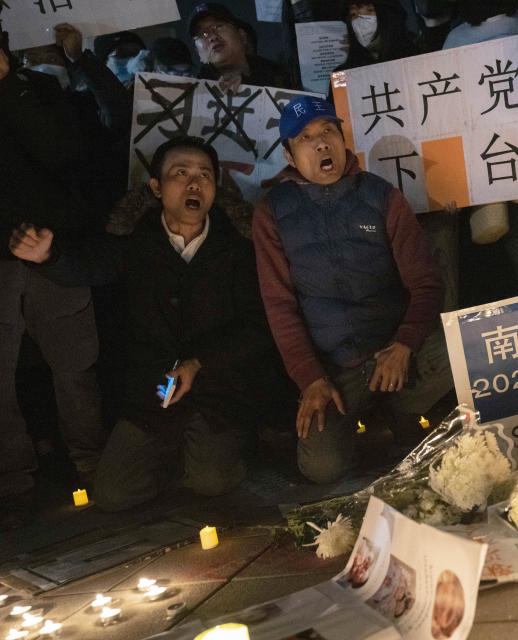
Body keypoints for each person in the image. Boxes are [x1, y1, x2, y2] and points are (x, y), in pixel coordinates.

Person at [9, 137, 276, 511]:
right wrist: (48, 256)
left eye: (204, 175)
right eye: (180, 173)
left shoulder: (237, 249)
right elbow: (89, 265)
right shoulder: (136, 243)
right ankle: (177, 459)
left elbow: (257, 327)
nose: (194, 184)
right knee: (113, 493)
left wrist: (199, 363)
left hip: (218, 391)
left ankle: (214, 454)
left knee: (211, 480)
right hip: (152, 397)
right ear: (156, 187)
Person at [252, 96, 453, 485]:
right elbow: (279, 306)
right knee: (321, 468)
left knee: (467, 351)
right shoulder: (272, 212)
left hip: (396, 355)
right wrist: (310, 379)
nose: (321, 143)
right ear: (290, 156)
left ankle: (401, 408)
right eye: (306, 138)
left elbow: (425, 283)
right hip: (336, 370)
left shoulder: (382, 196)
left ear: (344, 141)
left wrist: (404, 344)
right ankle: (370, 420)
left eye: (328, 131)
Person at [0, 23, 106, 528]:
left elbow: (63, 151)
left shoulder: (37, 88)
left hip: (52, 248)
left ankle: (92, 461)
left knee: (74, 364)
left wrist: (6, 86)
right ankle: (13, 480)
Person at [190, 2, 295, 91]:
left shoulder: (281, 75)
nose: (212, 37)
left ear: (242, 36)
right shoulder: (194, 93)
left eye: (218, 26)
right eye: (202, 34)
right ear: (197, 51)